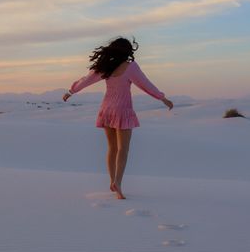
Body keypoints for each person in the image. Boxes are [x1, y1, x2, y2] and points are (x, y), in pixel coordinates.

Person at [63, 37, 173, 199]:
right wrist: (162, 98)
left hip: (106, 109)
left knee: (112, 148)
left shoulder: (107, 67)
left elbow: (87, 80)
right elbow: (145, 84)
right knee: (123, 149)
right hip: (122, 110)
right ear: (128, 51)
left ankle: (111, 180)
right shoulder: (130, 67)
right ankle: (118, 182)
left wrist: (71, 92)